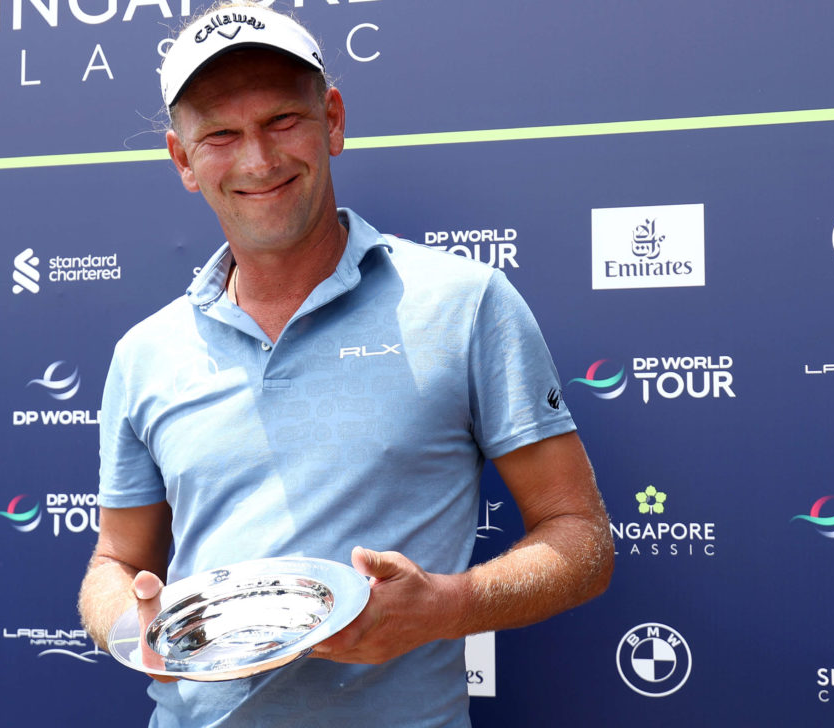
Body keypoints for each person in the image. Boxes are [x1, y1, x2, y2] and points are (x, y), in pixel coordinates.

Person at [79, 2, 613, 725]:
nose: (258, 161)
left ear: (332, 119)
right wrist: (130, 623)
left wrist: (446, 607)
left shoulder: (464, 302)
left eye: (282, 122)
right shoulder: (145, 352)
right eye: (222, 135)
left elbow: (579, 536)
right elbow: (115, 560)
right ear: (183, 159)